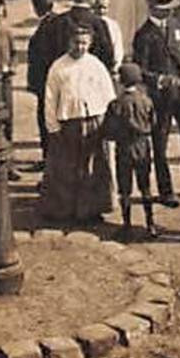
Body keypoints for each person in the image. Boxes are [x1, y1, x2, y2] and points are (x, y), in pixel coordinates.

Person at [133, 0, 180, 205]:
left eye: (168, 6)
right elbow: (139, 70)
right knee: (160, 143)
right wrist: (158, 80)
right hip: (160, 97)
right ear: (152, 7)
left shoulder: (175, 25)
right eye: (162, 6)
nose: (167, 10)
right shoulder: (144, 35)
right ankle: (166, 190)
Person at [40, 24, 116, 223]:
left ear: (89, 44)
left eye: (84, 43)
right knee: (68, 167)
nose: (80, 47)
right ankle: (65, 209)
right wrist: (53, 126)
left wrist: (109, 123)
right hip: (69, 123)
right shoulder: (58, 66)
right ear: (68, 43)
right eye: (76, 43)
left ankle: (92, 209)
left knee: (93, 167)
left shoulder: (95, 65)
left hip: (94, 122)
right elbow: (50, 99)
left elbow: (108, 95)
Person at [103, 63, 160, 239]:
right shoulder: (146, 101)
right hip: (143, 146)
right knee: (145, 187)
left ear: (121, 81)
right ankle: (150, 224)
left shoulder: (116, 104)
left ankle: (126, 224)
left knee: (125, 188)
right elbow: (154, 124)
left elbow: (109, 131)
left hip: (124, 148)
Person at [24, 0, 58, 161]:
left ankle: (48, 159)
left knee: (46, 122)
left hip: (46, 82)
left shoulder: (48, 26)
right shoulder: (55, 22)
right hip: (47, 82)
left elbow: (42, 57)